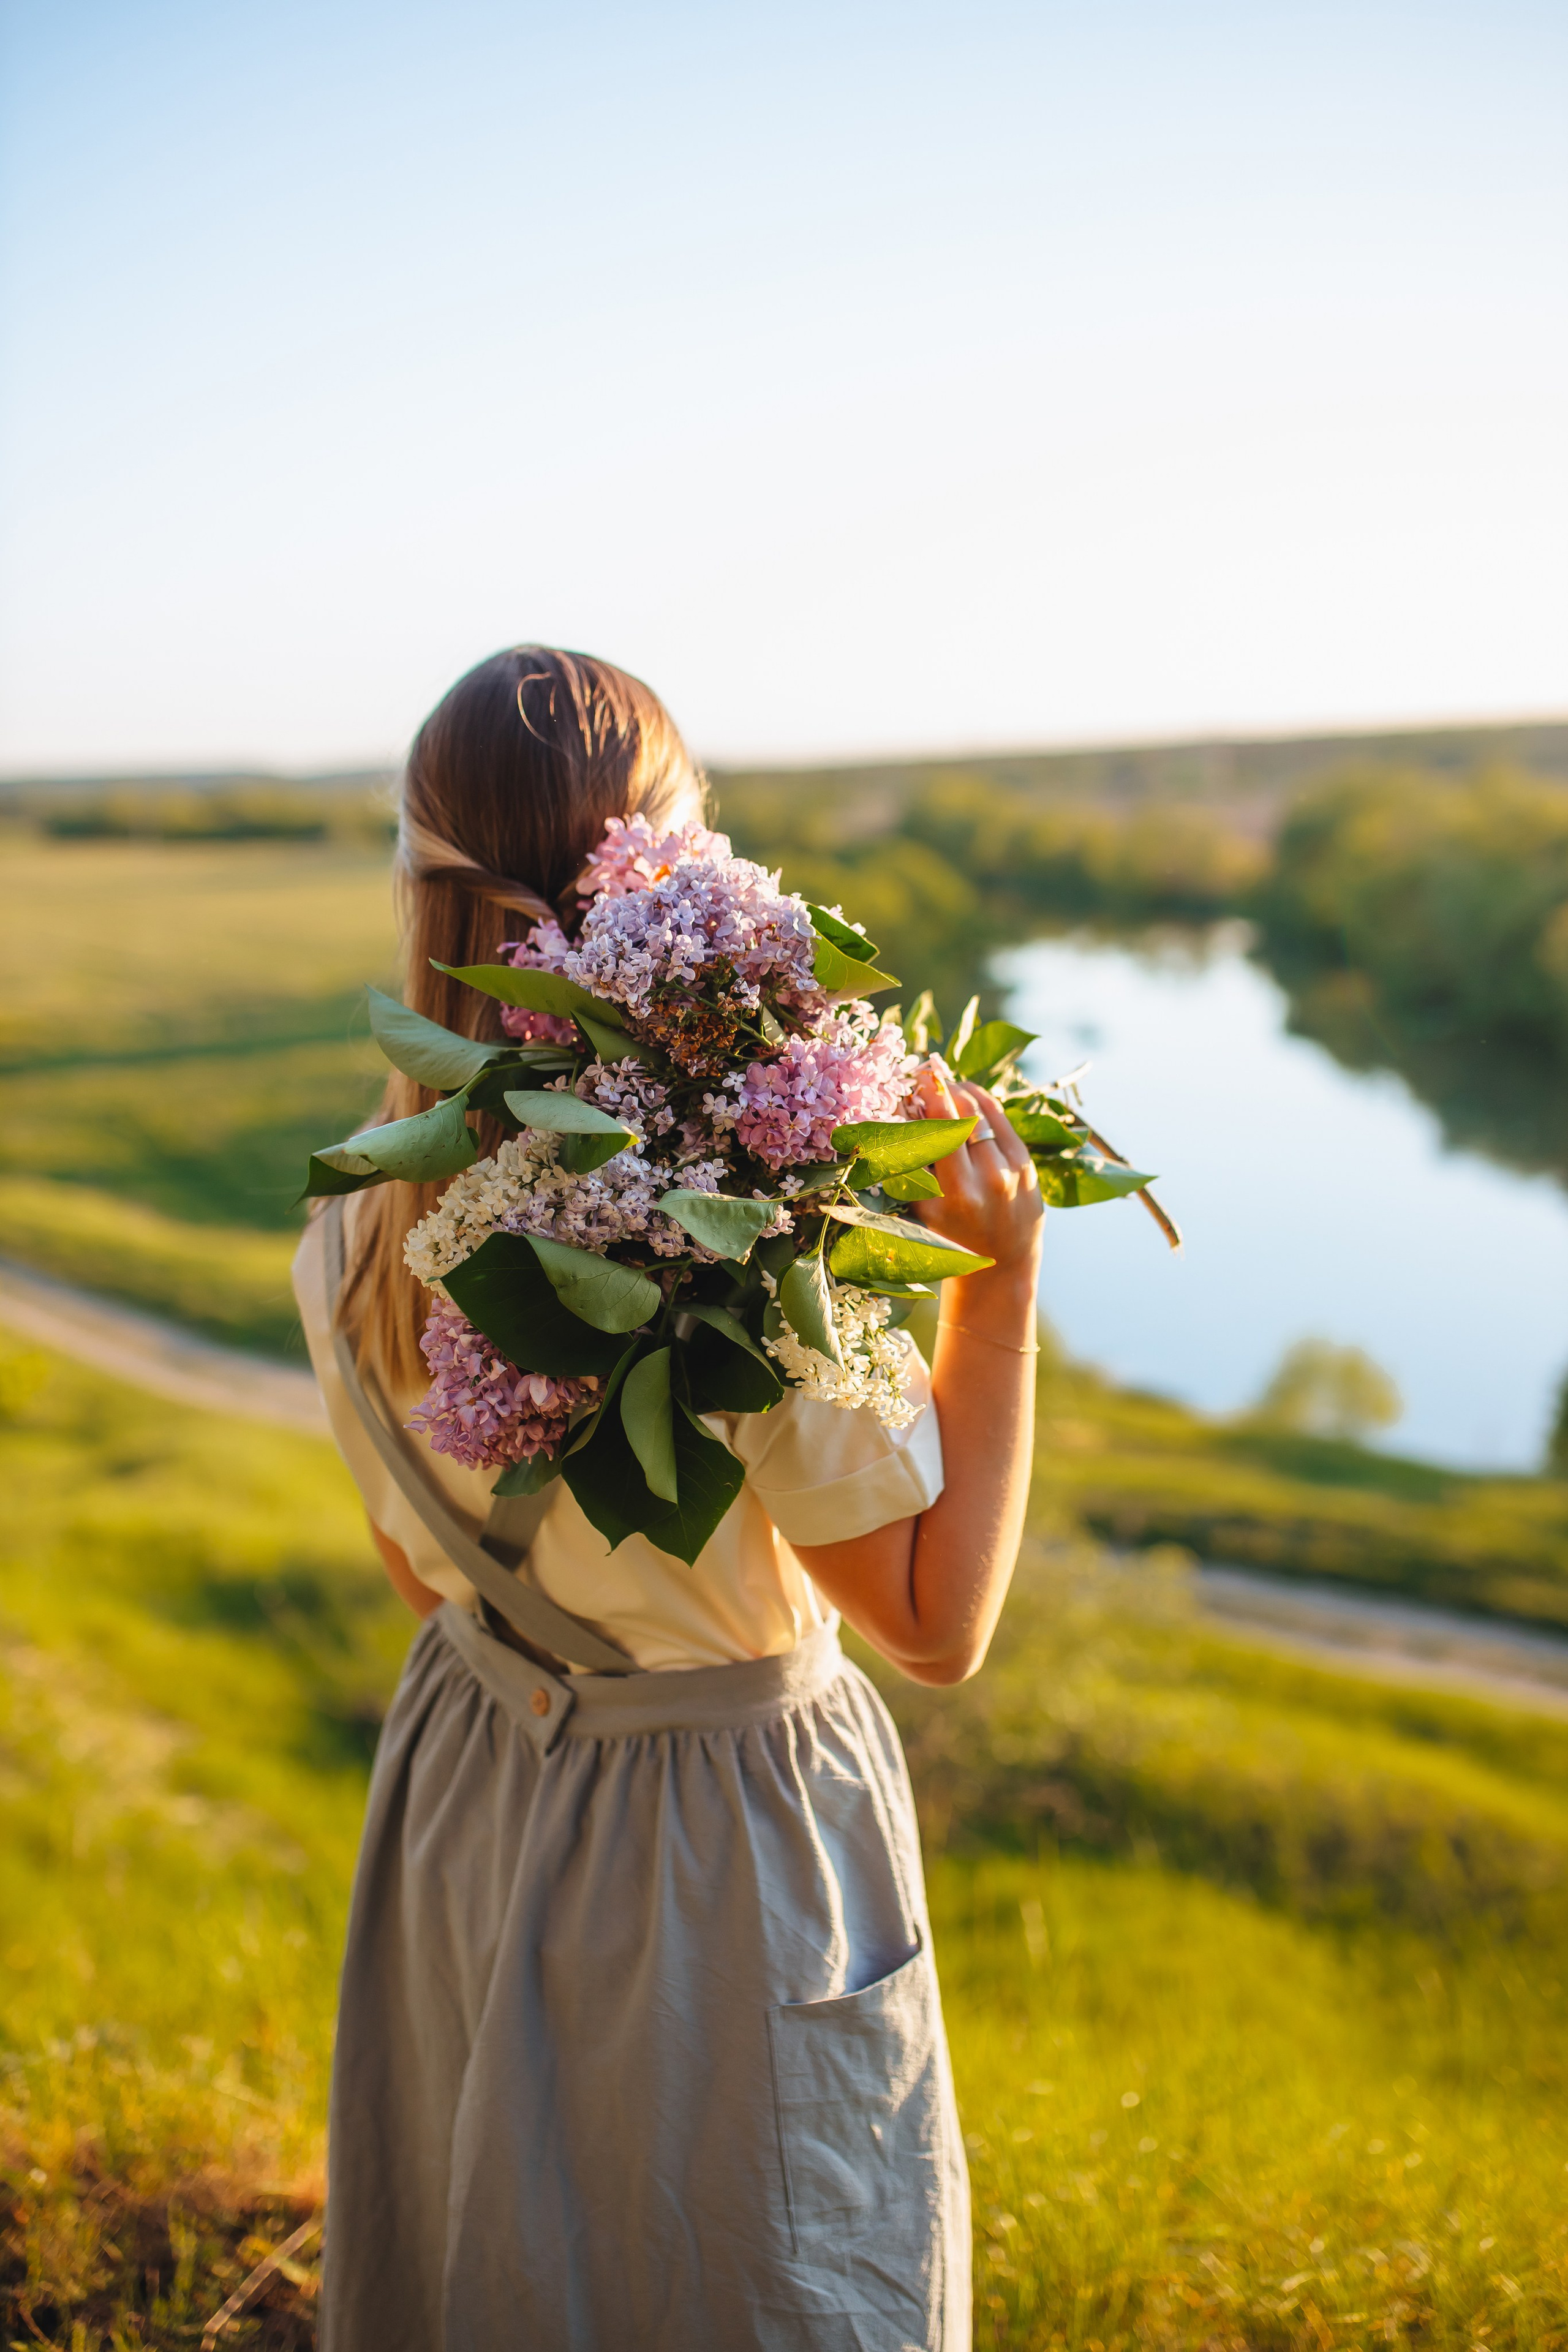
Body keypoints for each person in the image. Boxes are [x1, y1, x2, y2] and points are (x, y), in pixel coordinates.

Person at [293, 646, 1044, 2351]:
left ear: (426, 891)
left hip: (473, 1781)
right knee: (769, 2275)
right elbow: (936, 1629)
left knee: (505, 2262)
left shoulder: (353, 1228)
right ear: (678, 876)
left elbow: (427, 1585)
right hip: (723, 1835)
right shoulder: (747, 1255)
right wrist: (993, 1299)